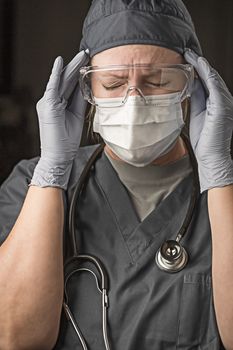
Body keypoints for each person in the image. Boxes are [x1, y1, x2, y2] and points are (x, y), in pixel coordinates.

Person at [0, 0, 233, 349]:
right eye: (112, 84)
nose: (134, 100)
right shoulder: (30, 186)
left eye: (157, 81)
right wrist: (52, 173)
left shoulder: (224, 196)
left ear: (192, 87)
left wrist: (218, 174)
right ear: (86, 92)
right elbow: (16, 339)